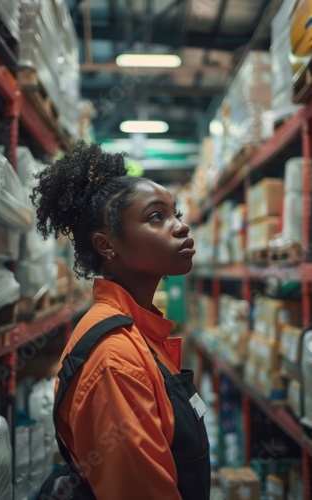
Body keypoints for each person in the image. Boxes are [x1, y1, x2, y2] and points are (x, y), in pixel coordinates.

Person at [31, 141, 210, 500]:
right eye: (156, 217)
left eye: (175, 213)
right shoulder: (115, 359)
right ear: (107, 245)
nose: (181, 226)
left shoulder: (140, 330)